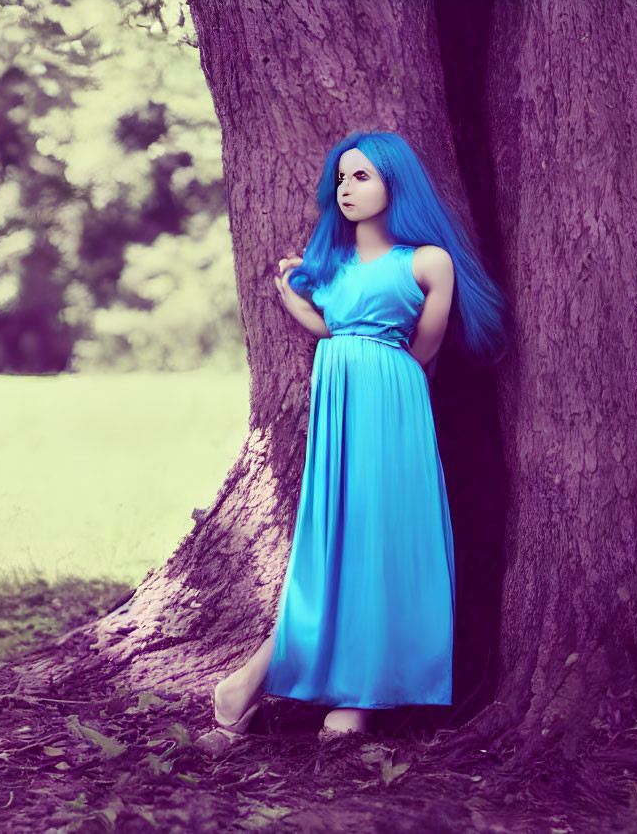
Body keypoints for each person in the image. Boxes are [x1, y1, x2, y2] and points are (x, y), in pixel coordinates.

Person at [203, 131, 508, 748]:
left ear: (396, 183)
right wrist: (292, 298)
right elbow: (329, 327)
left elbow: (424, 347)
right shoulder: (330, 265)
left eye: (362, 177)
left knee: (383, 545)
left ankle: (348, 698)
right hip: (338, 404)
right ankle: (272, 683)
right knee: (333, 545)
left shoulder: (427, 261)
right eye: (341, 178)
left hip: (395, 403)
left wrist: (376, 364)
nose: (346, 189)